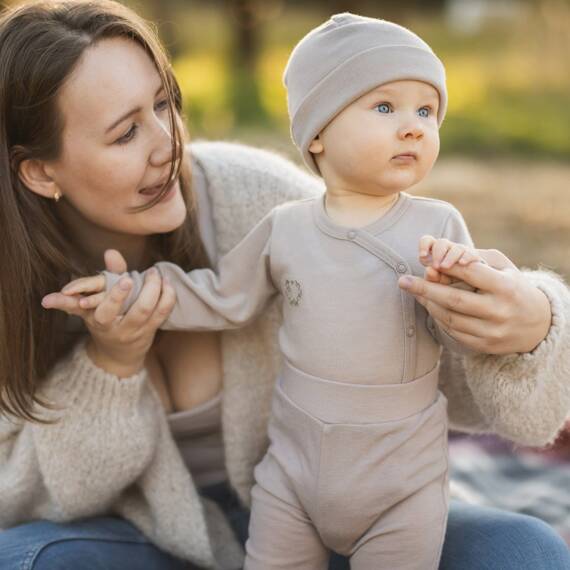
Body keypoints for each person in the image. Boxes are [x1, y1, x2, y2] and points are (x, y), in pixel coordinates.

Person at [0, 1, 568, 569]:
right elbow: (25, 499)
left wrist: (530, 326)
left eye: (164, 104)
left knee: (525, 552)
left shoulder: (265, 202)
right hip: (149, 540)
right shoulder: (13, 282)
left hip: (341, 513)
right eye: (126, 133)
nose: (167, 144)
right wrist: (111, 363)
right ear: (40, 171)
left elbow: (471, 393)